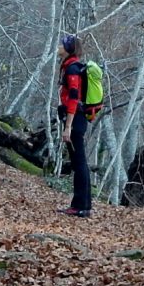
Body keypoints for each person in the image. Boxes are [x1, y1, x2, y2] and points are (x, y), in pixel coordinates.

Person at [57, 34, 92, 218]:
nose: (58, 47)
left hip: (75, 119)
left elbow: (73, 97)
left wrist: (68, 126)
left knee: (79, 163)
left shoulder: (72, 69)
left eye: (61, 45)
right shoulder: (73, 66)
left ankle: (79, 206)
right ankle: (84, 205)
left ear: (68, 48)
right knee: (80, 163)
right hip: (77, 118)